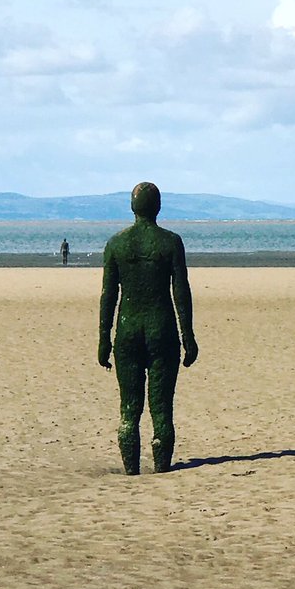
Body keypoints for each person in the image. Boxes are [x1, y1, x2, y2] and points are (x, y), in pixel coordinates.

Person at [98, 182, 199, 474]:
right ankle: (161, 466)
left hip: (127, 331)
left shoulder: (116, 244)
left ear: (133, 207)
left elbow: (108, 296)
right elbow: (181, 291)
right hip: (162, 329)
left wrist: (104, 339)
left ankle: (131, 469)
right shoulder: (171, 242)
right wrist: (188, 335)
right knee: (161, 406)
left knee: (129, 408)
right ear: (158, 206)